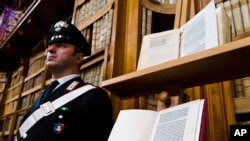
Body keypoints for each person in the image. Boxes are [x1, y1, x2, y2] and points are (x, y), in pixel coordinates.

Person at [18, 20, 113, 141]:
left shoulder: (92, 96)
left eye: (61, 45)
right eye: (49, 45)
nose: (50, 49)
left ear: (78, 58)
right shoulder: (42, 95)